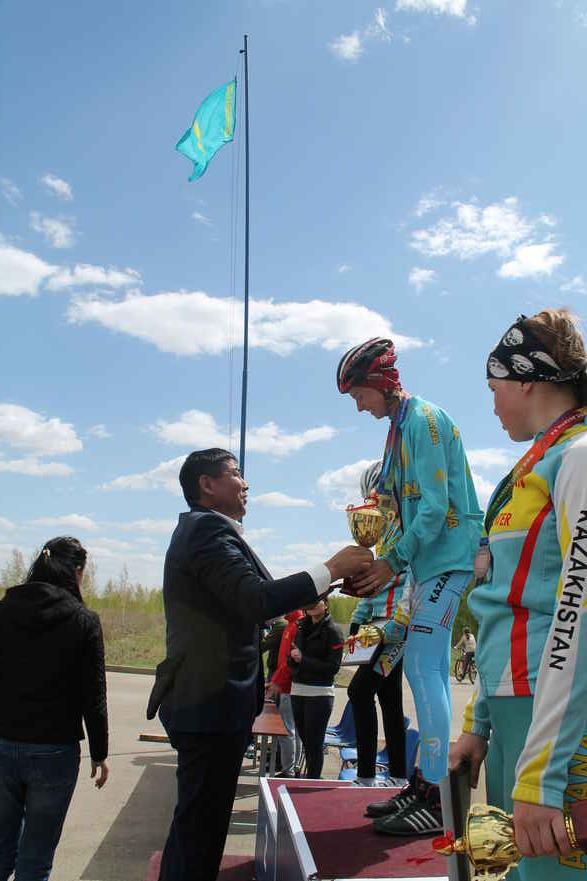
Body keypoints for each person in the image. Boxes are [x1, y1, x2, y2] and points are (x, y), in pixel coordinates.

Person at [147, 448, 373, 881]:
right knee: (199, 829)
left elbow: (260, 597)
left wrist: (332, 582)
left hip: (212, 705)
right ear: (206, 484)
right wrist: (331, 567)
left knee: (203, 825)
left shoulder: (209, 532)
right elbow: (254, 600)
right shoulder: (206, 532)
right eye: (236, 473)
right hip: (209, 705)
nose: (246, 483)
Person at [450, 309, 587, 879]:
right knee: (514, 874)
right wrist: (479, 721)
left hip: (556, 720)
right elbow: (502, 606)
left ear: (526, 379)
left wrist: (543, 777)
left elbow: (577, 617)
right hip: (515, 711)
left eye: (494, 387)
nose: (492, 403)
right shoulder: (531, 467)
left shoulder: (579, 456)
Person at [337, 337, 482, 835]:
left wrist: (390, 563)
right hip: (427, 563)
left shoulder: (422, 421)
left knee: (423, 669)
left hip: (447, 558)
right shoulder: (397, 429)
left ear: (380, 383)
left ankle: (438, 797)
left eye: (358, 394)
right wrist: (368, 559)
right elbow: (394, 509)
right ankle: (425, 783)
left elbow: (435, 508)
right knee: (427, 670)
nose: (358, 406)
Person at [0, 536, 109, 881]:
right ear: (76, 572)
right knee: (36, 857)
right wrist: (99, 754)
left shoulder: (4, 610)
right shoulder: (83, 620)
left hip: (3, 743)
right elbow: (93, 695)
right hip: (54, 751)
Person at [347, 461, 408, 786]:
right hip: (375, 622)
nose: (375, 504)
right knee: (389, 697)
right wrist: (357, 619)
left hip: (395, 626)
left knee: (359, 691)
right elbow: (374, 586)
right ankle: (397, 775)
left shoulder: (408, 529)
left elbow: (412, 581)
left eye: (379, 496)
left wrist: (399, 623)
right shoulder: (384, 534)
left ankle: (367, 775)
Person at [288, 598, 343, 779]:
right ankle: (309, 778)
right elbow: (292, 656)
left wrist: (303, 660)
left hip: (319, 694)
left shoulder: (333, 631)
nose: (312, 605)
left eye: (317, 601)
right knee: (306, 742)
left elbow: (333, 667)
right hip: (298, 690)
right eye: (309, 601)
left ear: (326, 605)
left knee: (314, 744)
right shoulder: (301, 626)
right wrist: (294, 661)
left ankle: (312, 780)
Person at [266, 610, 304, 777]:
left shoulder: (297, 626)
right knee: (292, 730)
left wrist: (277, 682)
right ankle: (293, 767)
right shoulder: (290, 625)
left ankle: (289, 770)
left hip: (288, 686)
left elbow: (290, 662)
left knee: (287, 730)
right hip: (285, 684)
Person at [261, 617, 286, 682]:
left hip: (276, 667)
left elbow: (264, 645)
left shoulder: (280, 624)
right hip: (275, 665)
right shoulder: (279, 624)